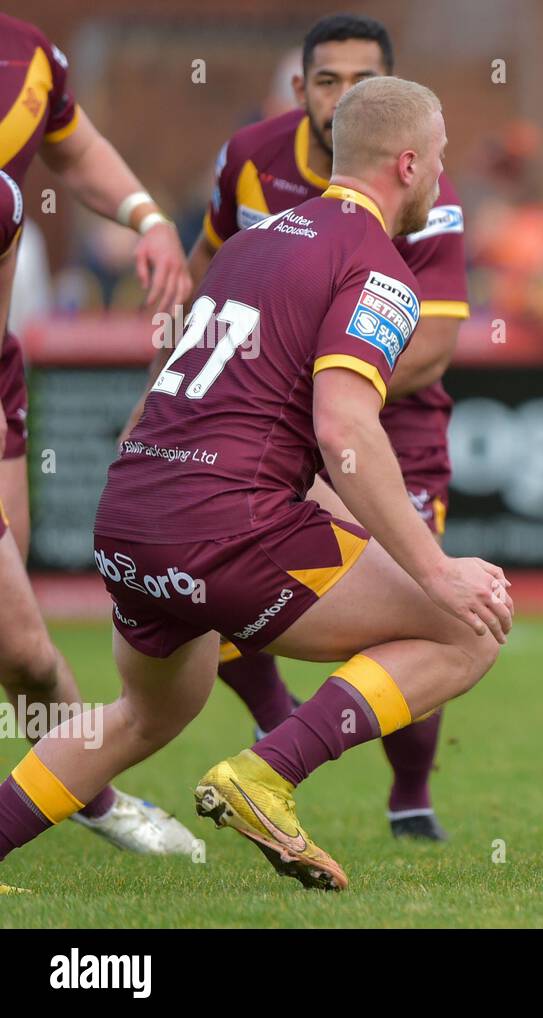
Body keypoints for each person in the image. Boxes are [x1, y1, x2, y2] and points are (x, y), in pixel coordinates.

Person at [0, 77, 510, 894]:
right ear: (409, 164)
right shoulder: (378, 267)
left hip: (130, 514)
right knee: (470, 628)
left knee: (148, 713)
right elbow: (344, 431)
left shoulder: (252, 242)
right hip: (223, 524)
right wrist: (438, 570)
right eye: (441, 162)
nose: (443, 182)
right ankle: (266, 774)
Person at [122, 13, 469, 842]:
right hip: (281, 429)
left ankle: (408, 798)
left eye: (361, 81)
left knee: (413, 603)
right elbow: (216, 287)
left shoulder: (429, 198)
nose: (342, 94)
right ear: (300, 89)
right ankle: (273, 747)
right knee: (452, 612)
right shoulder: (250, 159)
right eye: (327, 80)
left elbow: (436, 345)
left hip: (392, 427)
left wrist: (322, 376)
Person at [0, 13, 194, 857]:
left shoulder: (27, 55)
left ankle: (92, 794)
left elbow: (73, 148)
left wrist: (147, 217)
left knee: (26, 659)